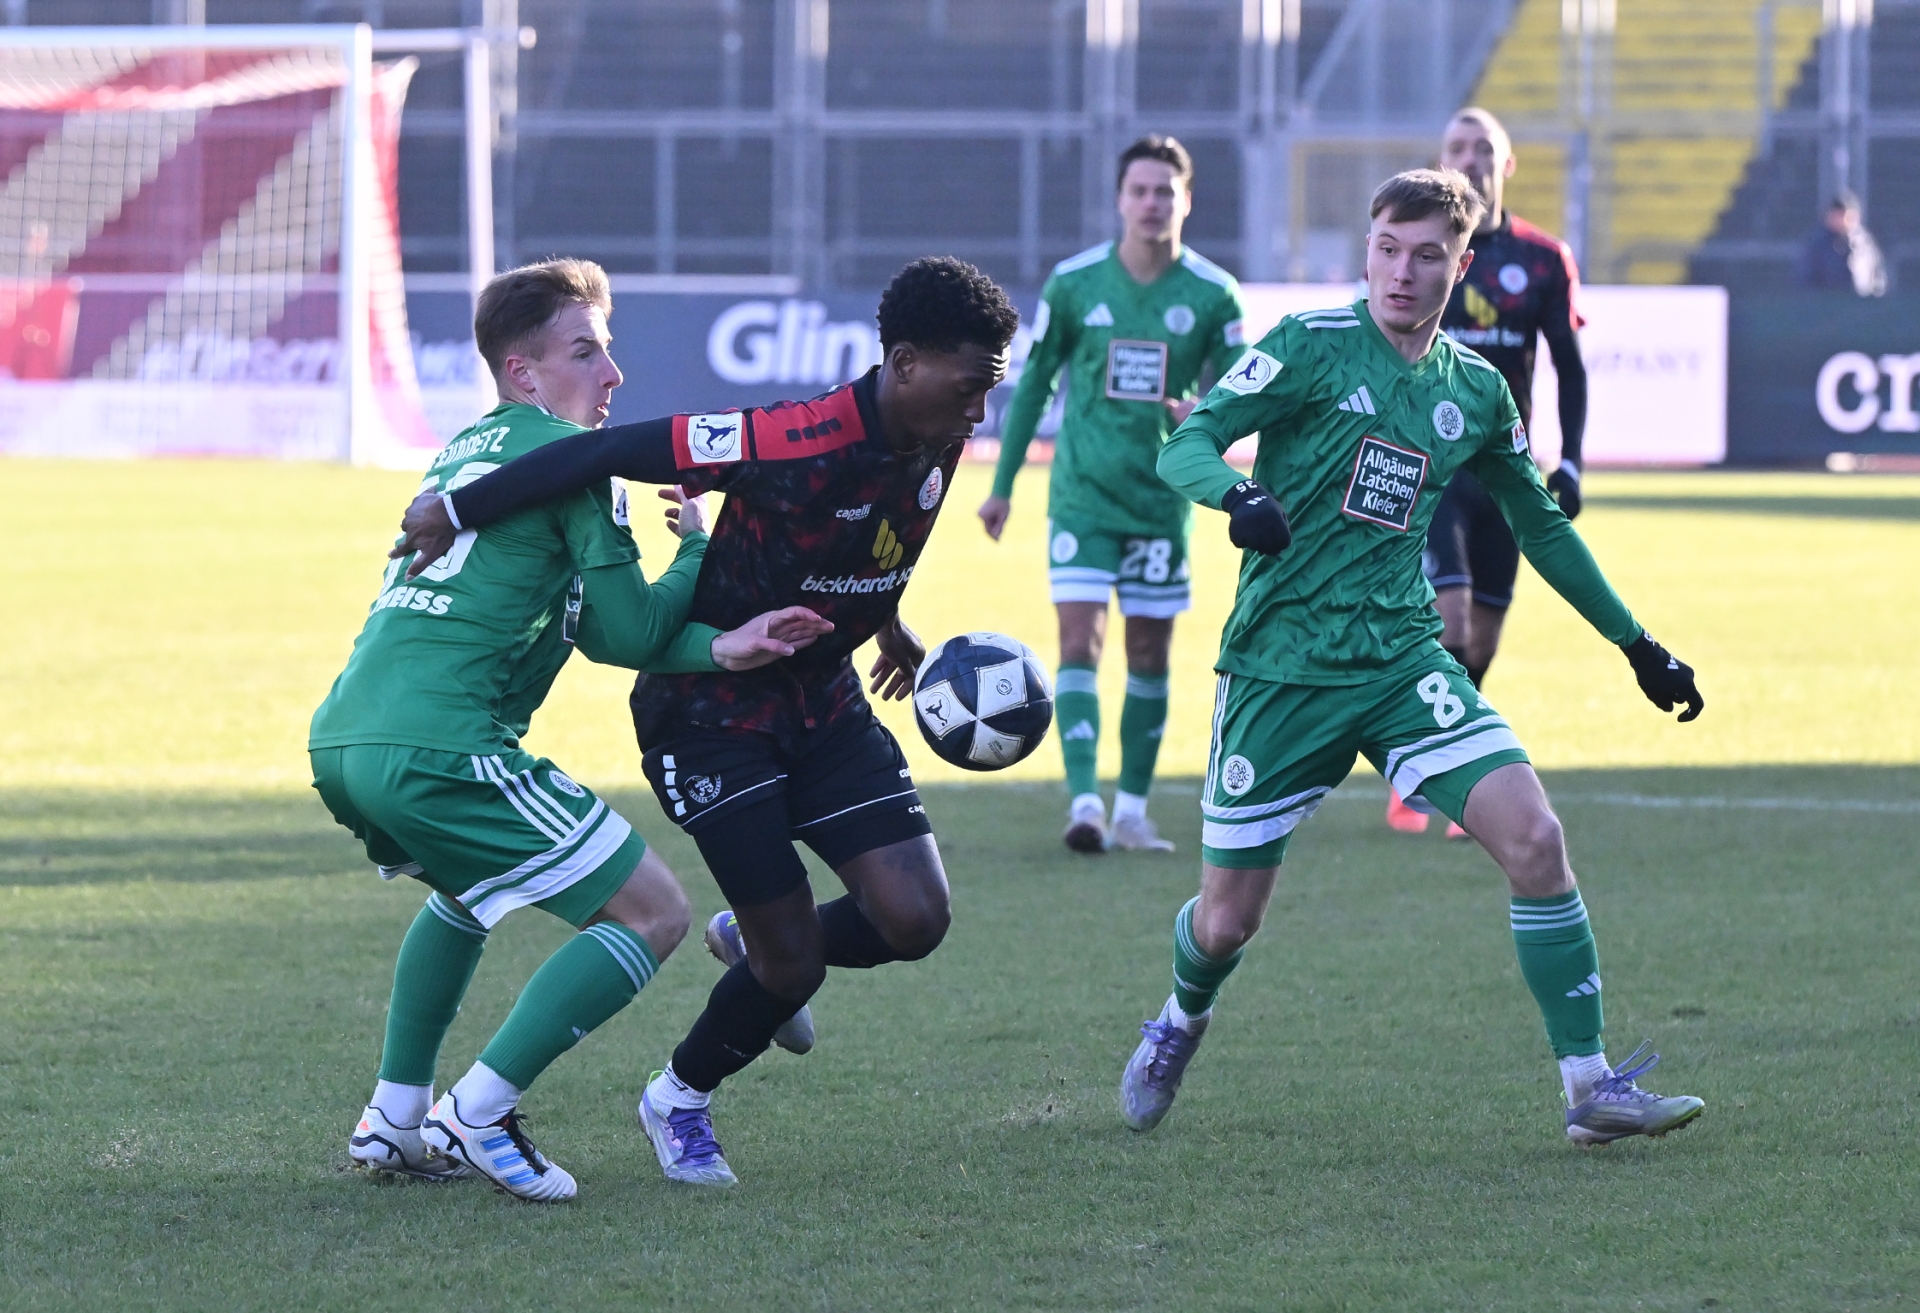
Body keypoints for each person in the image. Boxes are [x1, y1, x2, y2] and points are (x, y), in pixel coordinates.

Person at [389, 256, 1022, 1187]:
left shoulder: (936, 432)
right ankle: (679, 1097)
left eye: (988, 390)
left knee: (916, 918)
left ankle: (752, 939)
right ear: (905, 363)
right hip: (712, 715)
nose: (980, 411)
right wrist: (455, 506)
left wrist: (887, 619)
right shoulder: (789, 436)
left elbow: (879, 529)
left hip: (825, 702)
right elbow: (599, 453)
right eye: (970, 388)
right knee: (792, 963)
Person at [1118, 168, 1708, 1149]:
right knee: (1226, 923)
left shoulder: (1474, 390)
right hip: (1280, 670)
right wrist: (1237, 495)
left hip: (1402, 661)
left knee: (1536, 839)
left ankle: (1589, 1086)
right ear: (1367, 250)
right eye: (1387, 249)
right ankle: (1180, 1019)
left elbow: (1541, 527)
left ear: (1459, 266)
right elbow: (1187, 445)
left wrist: (1636, 643)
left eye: (1427, 255)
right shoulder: (1308, 344)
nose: (1401, 271)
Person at [315, 259, 828, 1202]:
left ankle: (394, 1116)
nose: (613, 374)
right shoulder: (575, 465)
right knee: (654, 912)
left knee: (467, 893)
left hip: (348, 737)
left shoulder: (464, 454)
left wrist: (723, 648)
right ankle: (478, 1111)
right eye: (586, 351)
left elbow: (592, 630)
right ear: (524, 371)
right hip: (443, 745)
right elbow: (632, 631)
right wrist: (698, 548)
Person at [979, 135, 1246, 854]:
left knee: (1149, 652)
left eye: (1165, 191)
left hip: (1161, 502)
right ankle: (1085, 805)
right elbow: (1034, 384)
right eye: (1140, 190)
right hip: (1083, 496)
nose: (1152, 203)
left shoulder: (1214, 293)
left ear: (1186, 201)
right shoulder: (1074, 284)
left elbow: (1243, 391)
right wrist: (1002, 487)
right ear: (1120, 199)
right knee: (1079, 641)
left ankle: (1131, 811)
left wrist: (1208, 415)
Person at [1386, 107, 1588, 837]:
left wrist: (1571, 460)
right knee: (1452, 618)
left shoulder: (1543, 258)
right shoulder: (1420, 252)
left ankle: (1430, 758)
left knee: (1483, 641)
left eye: (1483, 148)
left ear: (1507, 164)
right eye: (1457, 147)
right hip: (1431, 470)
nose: (1470, 158)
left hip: (1504, 472)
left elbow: (1568, 366)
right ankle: (1433, 773)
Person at [1796, 192, 1888, 297]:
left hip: (1861, 304)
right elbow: (1805, 279)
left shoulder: (1865, 243)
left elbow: (1878, 275)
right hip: (1828, 303)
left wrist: (1874, 297)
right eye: (1838, 215)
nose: (1843, 220)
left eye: (1847, 215)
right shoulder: (1816, 245)